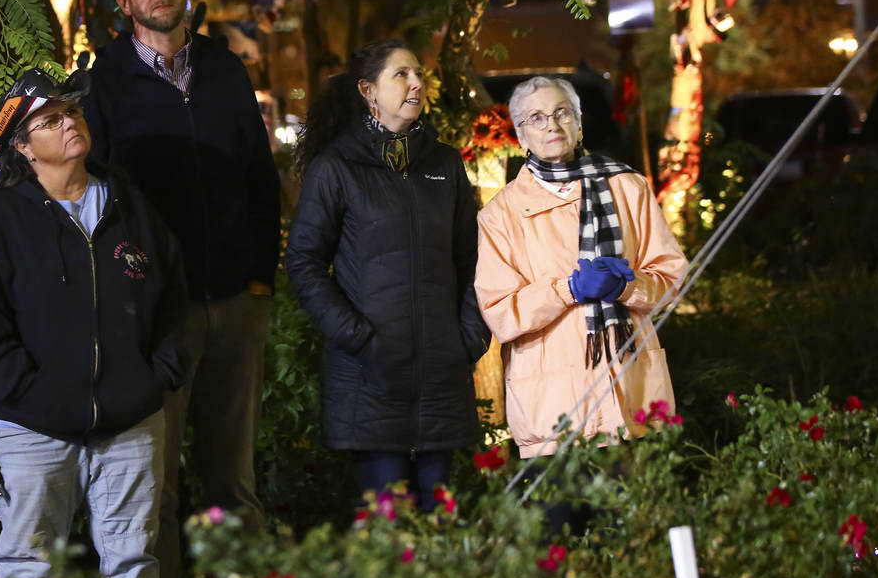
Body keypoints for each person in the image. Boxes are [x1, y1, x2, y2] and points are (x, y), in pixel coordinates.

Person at [0, 67, 187, 578]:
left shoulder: (127, 201)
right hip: (28, 426)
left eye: (71, 112)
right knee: (30, 567)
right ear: (24, 148)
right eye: (49, 120)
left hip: (129, 420)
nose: (69, 123)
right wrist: (32, 394)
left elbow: (173, 293)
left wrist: (158, 374)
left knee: (133, 563)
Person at [82, 0, 281, 578]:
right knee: (155, 485)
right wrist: (128, 296)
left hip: (233, 301)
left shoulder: (223, 69)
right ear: (125, 1)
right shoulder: (103, 80)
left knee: (233, 482)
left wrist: (260, 278)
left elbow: (258, 174)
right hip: (157, 316)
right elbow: (98, 197)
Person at [285, 40, 490, 510]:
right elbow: (304, 262)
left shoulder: (444, 164)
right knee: (390, 532)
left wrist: (469, 339)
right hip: (371, 377)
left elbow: (473, 258)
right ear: (368, 90)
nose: (417, 83)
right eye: (401, 75)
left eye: (419, 74)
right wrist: (358, 338)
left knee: (438, 531)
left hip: (441, 375)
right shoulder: (337, 168)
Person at [474, 76, 688, 462]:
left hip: (633, 397)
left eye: (561, 113)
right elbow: (501, 313)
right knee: (558, 522)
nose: (552, 125)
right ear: (520, 136)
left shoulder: (628, 187)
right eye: (536, 118)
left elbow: (671, 279)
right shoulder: (500, 214)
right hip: (552, 411)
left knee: (639, 519)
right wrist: (568, 289)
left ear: (579, 123)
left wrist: (626, 286)